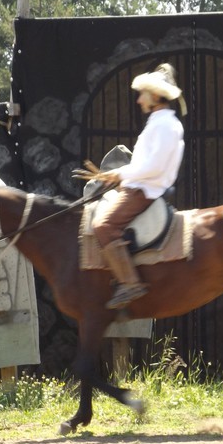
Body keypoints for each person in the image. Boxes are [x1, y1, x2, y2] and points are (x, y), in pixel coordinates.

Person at [88, 63, 186, 310]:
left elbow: (152, 167)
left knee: (103, 225)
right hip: (138, 187)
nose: (139, 100)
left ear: (154, 96)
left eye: (142, 94)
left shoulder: (165, 125)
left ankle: (130, 283)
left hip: (143, 191)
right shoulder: (159, 122)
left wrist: (118, 174)